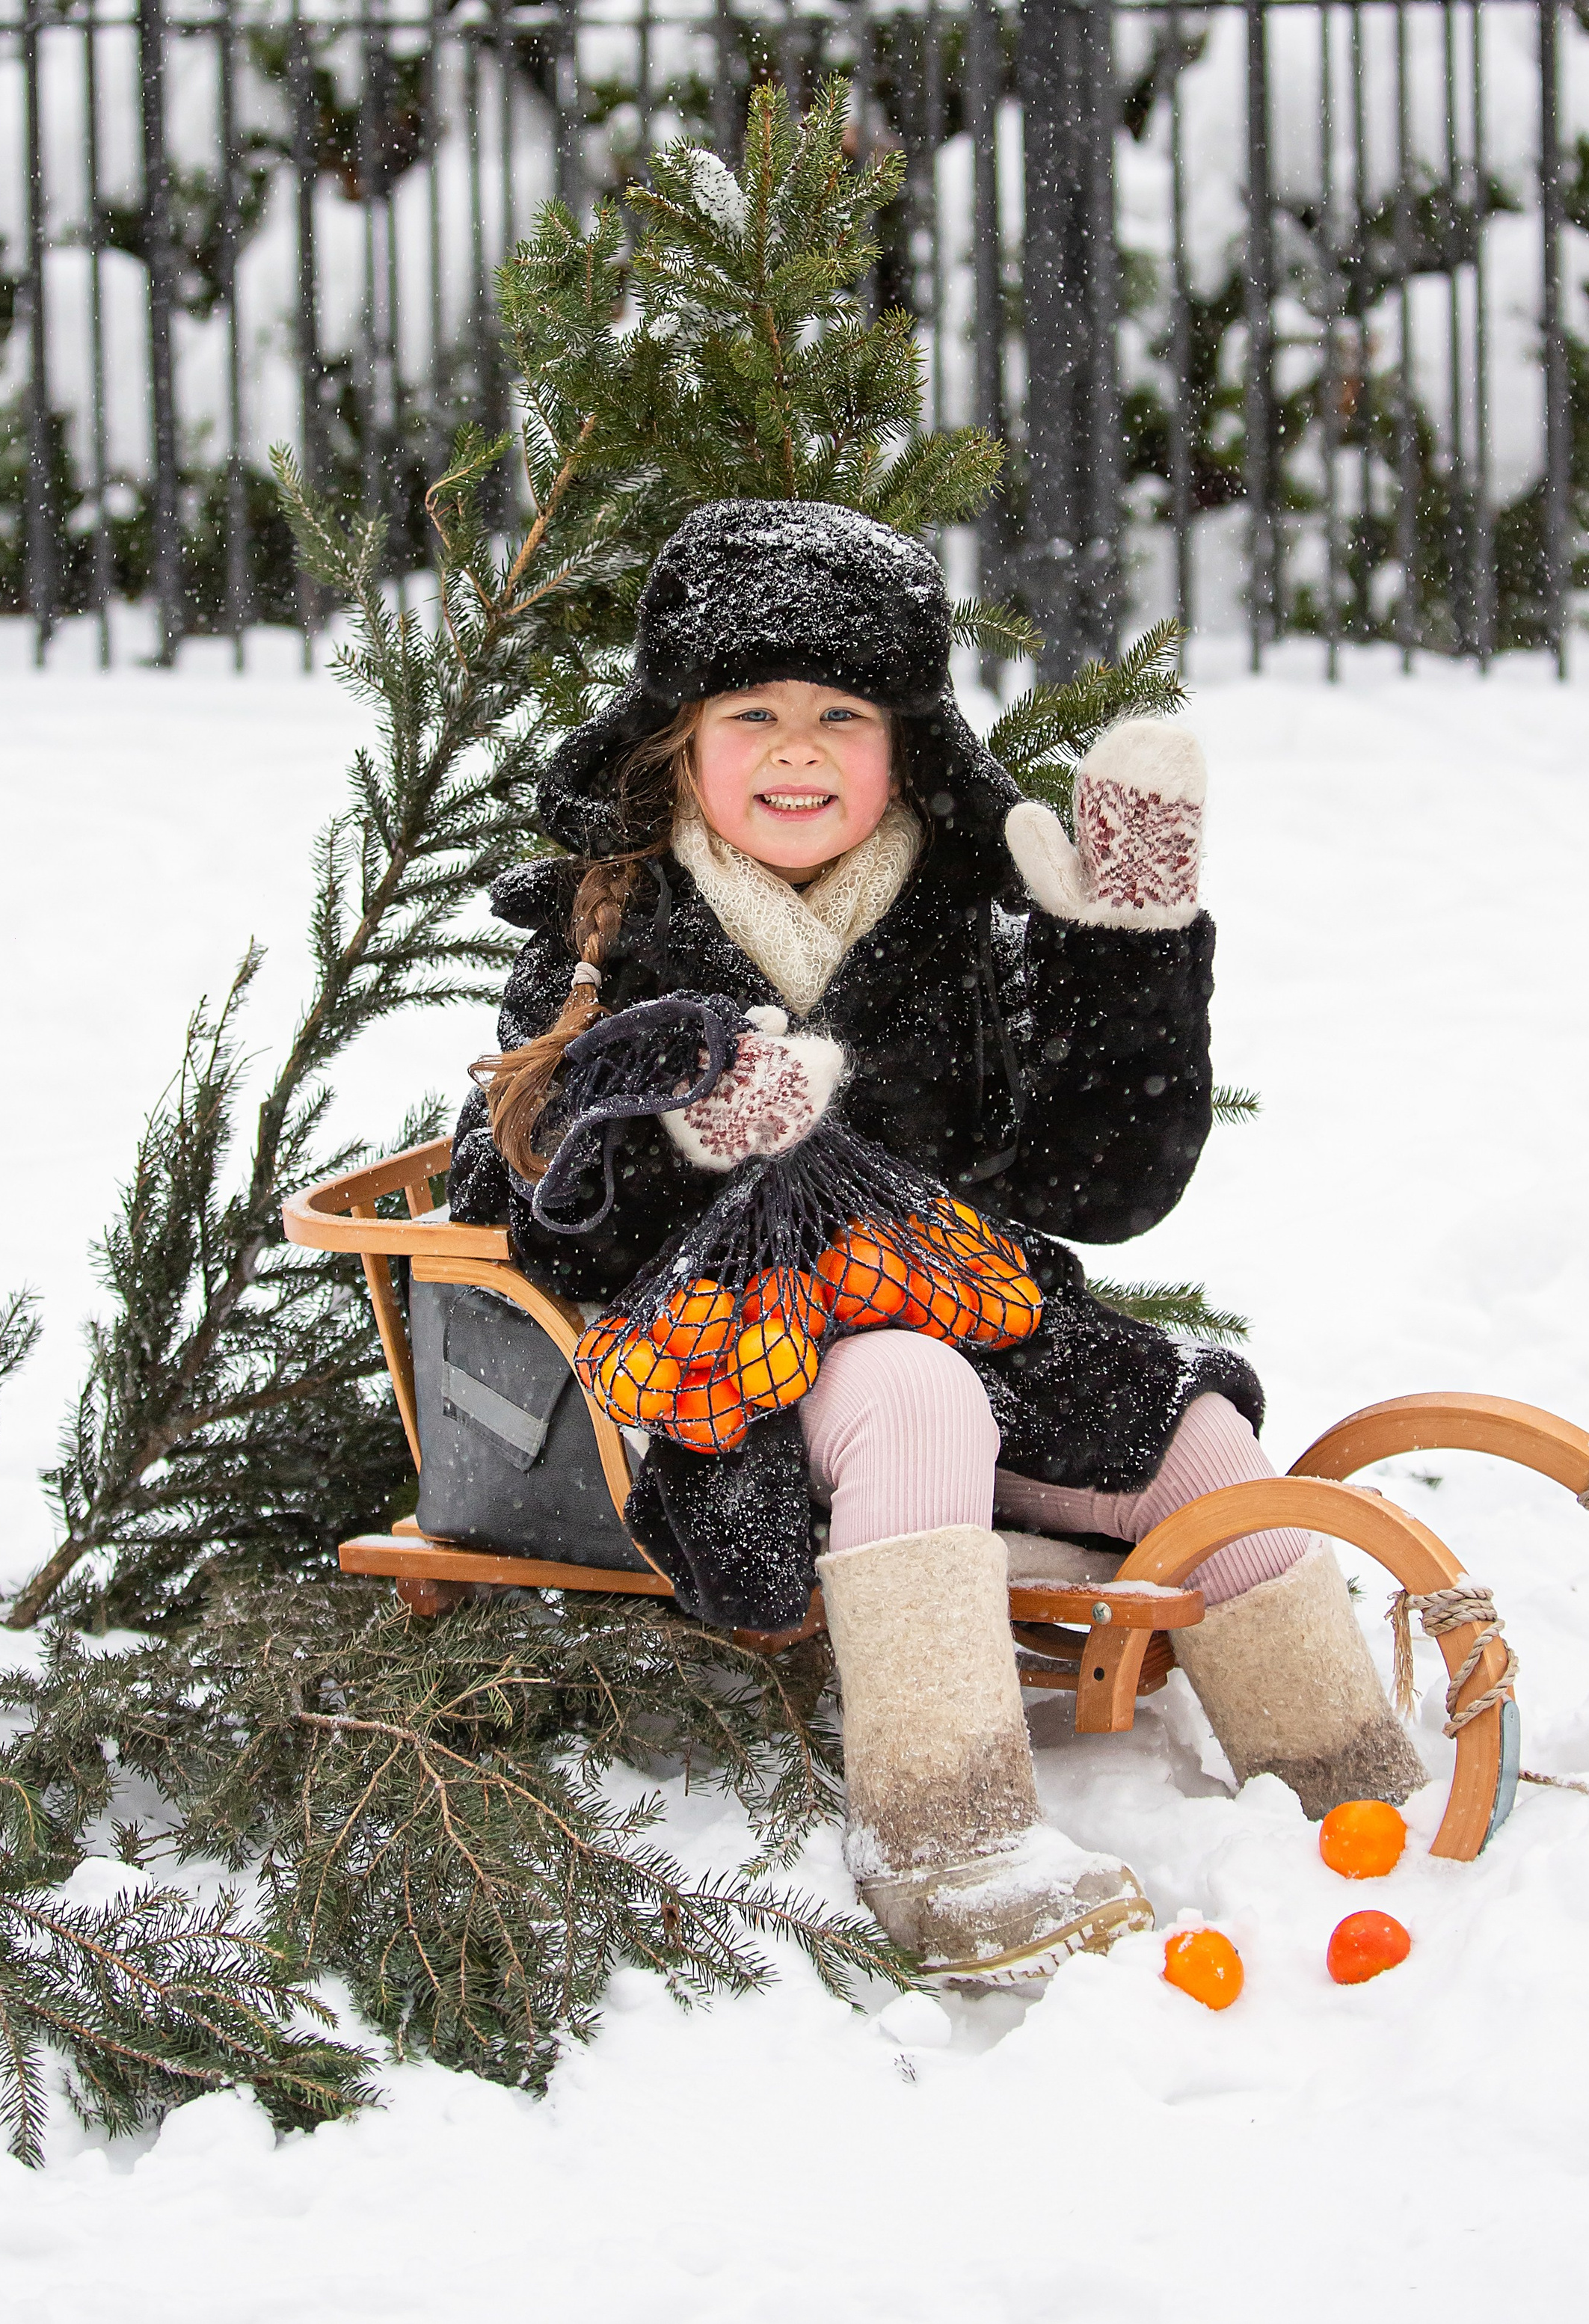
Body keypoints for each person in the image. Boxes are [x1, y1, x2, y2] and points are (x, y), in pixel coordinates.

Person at [452, 499, 1421, 1985]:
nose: (795, 749)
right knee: (913, 1390)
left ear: (902, 744)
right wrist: (690, 1112)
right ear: (673, 743)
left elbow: (1099, 1185)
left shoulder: (956, 925)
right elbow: (538, 1203)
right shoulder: (605, 928)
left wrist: (1128, 954)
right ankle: (950, 1838)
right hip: (730, 1372)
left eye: (839, 715)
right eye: (751, 713)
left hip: (959, 1310)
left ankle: (1351, 1776)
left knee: (1193, 1443)